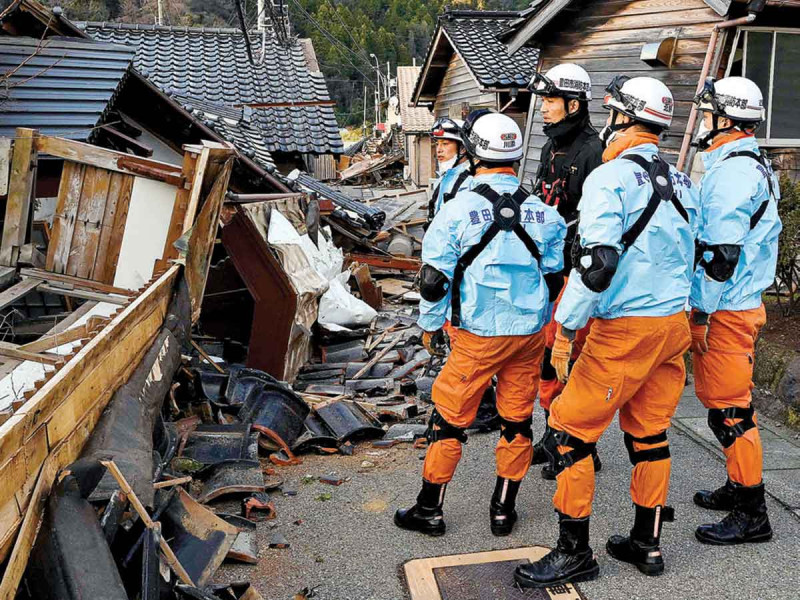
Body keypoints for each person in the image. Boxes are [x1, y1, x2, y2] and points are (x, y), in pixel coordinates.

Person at [514, 76, 699, 588]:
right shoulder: (682, 180)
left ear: (620, 116)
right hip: (672, 325)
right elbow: (703, 257)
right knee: (649, 433)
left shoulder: (610, 178)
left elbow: (597, 265)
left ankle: (575, 552)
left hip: (625, 329)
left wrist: (568, 326)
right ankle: (647, 542)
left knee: (570, 434)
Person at [394, 110, 566, 537]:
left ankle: (429, 509)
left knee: (450, 418)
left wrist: (430, 325)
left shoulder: (457, 211)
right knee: (517, 420)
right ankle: (503, 509)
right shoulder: (544, 214)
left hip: (476, 335)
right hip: (527, 335)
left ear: (471, 152)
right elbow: (554, 275)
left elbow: (434, 280)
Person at [689, 76, 781, 545]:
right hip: (741, 301)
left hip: (726, 307)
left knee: (731, 411)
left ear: (724, 118)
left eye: (708, 112)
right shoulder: (753, 164)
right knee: (725, 406)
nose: (704, 120)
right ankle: (736, 485)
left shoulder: (731, 172)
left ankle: (753, 512)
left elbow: (720, 254)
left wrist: (700, 312)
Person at [528, 63, 604, 479]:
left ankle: (580, 444)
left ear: (573, 104)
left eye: (550, 101)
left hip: (577, 272)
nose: (543, 108)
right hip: (548, 268)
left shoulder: (595, 152)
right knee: (546, 359)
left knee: (570, 359)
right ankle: (551, 433)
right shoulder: (548, 147)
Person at [428, 118, 471, 221]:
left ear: (463, 148)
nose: (439, 150)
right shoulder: (444, 177)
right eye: (437, 144)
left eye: (445, 144)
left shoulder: (470, 182)